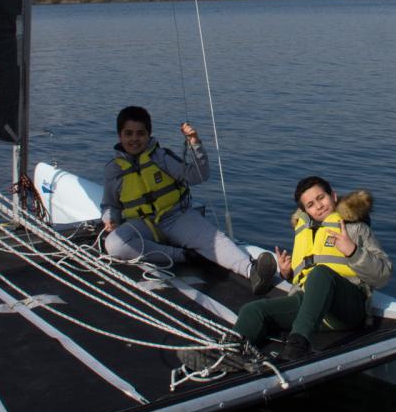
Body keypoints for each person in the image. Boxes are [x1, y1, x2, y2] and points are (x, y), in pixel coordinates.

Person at [178, 175, 391, 371]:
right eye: (310, 204)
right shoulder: (306, 231)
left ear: (333, 196)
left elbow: (383, 275)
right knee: (254, 310)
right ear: (305, 210)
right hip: (313, 308)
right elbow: (307, 276)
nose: (318, 206)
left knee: (320, 273)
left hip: (347, 308)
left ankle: (297, 347)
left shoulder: (356, 229)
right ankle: (230, 353)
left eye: (321, 198)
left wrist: (352, 251)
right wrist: (288, 273)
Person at [101, 105, 276, 292]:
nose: (134, 139)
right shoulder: (114, 169)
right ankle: (182, 255)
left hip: (176, 217)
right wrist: (110, 219)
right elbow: (110, 204)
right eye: (128, 133)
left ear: (149, 135)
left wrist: (195, 144)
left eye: (140, 133)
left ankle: (252, 271)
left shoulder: (161, 157)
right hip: (143, 225)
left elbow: (199, 175)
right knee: (114, 244)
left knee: (214, 240)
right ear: (119, 136)